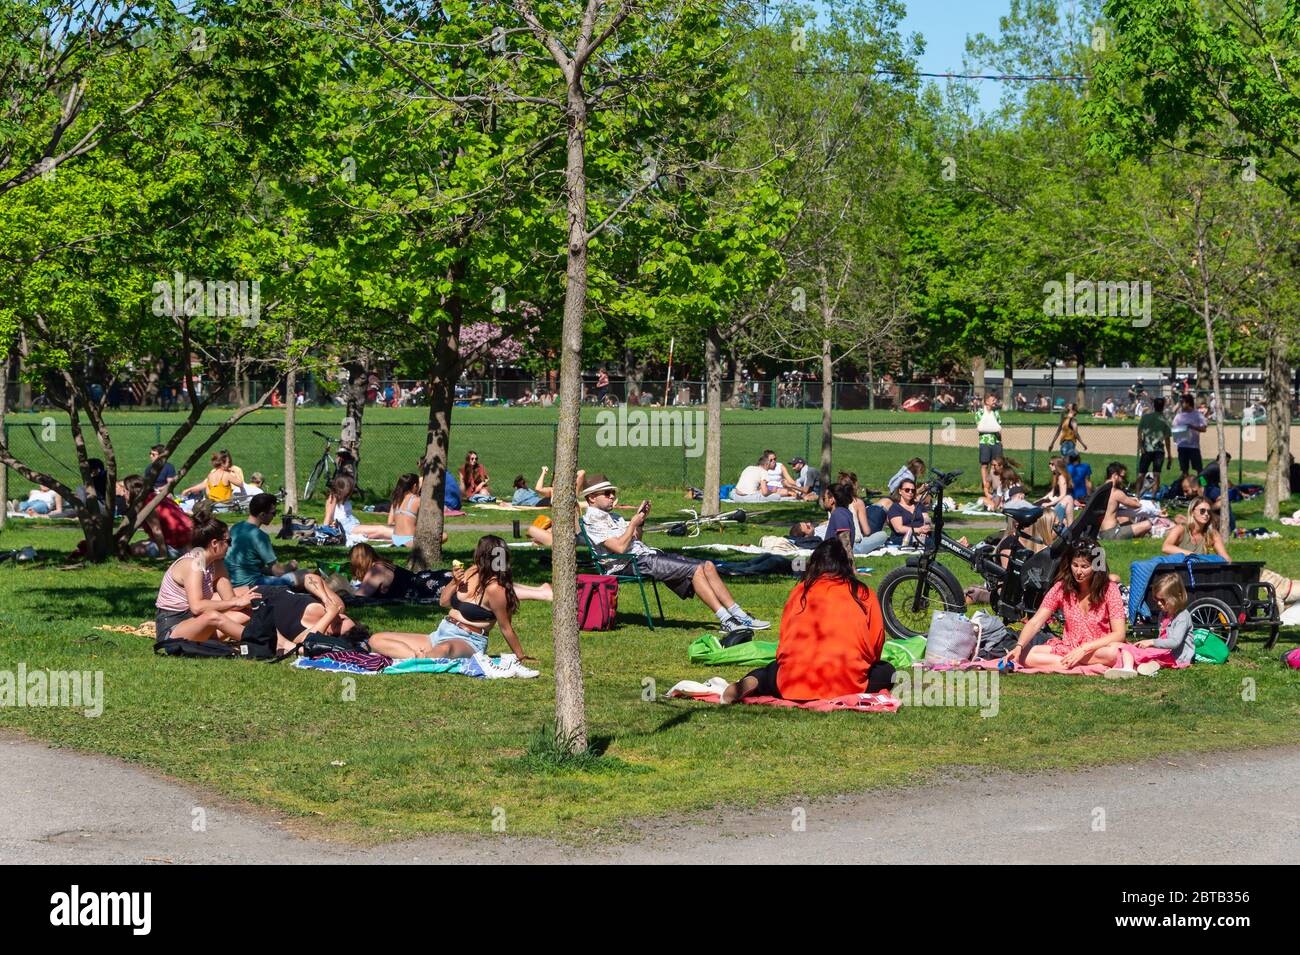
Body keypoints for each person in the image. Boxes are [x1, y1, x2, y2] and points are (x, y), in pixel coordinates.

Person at [581, 474, 769, 632]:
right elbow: (620, 548)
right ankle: (726, 620)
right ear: (591, 498)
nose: (612, 496)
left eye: (613, 492)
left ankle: (740, 615)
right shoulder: (592, 520)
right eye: (607, 493)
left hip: (645, 556)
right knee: (695, 570)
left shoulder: (613, 516)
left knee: (708, 566)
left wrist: (641, 521)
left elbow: (636, 539)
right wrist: (632, 524)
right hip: (628, 563)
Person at [721, 539, 893, 704]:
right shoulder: (863, 593)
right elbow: (875, 645)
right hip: (845, 681)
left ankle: (752, 682)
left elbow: (784, 643)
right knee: (888, 671)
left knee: (768, 672)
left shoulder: (800, 591)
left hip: (794, 681)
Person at [367, 536, 540, 677]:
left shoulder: (496, 589)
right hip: (441, 632)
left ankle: (422, 657)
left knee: (444, 649)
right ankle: (418, 657)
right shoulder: (472, 571)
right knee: (376, 639)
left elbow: (506, 627)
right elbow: (443, 602)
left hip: (469, 640)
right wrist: (453, 582)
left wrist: (521, 656)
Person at [1001, 539, 1134, 674]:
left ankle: (1066, 664)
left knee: (1114, 652)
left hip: (1098, 648)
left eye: (1085, 566)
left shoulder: (1109, 589)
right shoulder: (1061, 588)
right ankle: (1078, 664)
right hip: (1068, 648)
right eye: (1075, 565)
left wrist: (1084, 649)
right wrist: (1019, 645)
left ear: (1096, 566)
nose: (1078, 571)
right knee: (1024, 654)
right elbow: (1036, 621)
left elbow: (1119, 634)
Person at [153, 504, 258, 644]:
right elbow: (197, 607)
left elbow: (231, 601)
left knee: (248, 613)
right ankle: (266, 644)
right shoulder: (194, 564)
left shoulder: (217, 564)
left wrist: (250, 602)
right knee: (213, 616)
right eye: (228, 541)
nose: (230, 546)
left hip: (198, 623)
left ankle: (276, 641)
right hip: (173, 628)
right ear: (215, 543)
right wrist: (237, 601)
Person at [226, 493, 299, 588]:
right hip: (251, 585)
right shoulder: (259, 536)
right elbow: (278, 571)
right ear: (262, 514)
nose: (274, 516)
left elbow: (256, 567)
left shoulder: (236, 527)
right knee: (303, 576)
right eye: (273, 513)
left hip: (231, 583)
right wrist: (291, 566)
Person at [121, 474, 192, 558]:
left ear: (132, 491)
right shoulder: (158, 497)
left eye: (125, 491)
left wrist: (163, 556)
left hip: (179, 548)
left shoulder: (147, 505)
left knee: (135, 548)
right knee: (142, 543)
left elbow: (157, 530)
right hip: (191, 542)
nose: (123, 494)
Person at [1132, 574, 1195, 667]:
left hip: (1179, 657)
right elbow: (1162, 637)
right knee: (1133, 651)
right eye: (1156, 599)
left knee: (1142, 655)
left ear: (1177, 597)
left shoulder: (1182, 617)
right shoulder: (1163, 614)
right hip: (1165, 651)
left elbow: (1175, 642)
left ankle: (1148, 664)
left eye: (1162, 600)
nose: (1158, 603)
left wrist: (1152, 642)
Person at [322, 475, 394, 540]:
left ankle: (401, 535)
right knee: (380, 529)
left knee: (379, 530)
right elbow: (328, 517)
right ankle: (402, 538)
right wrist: (325, 531)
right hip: (346, 526)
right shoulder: (332, 498)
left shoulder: (343, 498)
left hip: (351, 524)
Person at [1098, 462, 1153, 540]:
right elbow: (1137, 506)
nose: (1123, 480)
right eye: (1122, 477)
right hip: (1111, 533)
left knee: (1125, 519)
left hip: (1100, 532)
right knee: (1148, 524)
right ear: (1115, 476)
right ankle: (1136, 539)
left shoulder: (1099, 489)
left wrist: (1127, 499)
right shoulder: (1116, 492)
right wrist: (1135, 500)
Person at [1162, 499, 1229, 559]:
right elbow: (1166, 547)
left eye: (1209, 511)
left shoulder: (1212, 533)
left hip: (1199, 570)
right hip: (1178, 569)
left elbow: (1225, 557)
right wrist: (1194, 555)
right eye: (1202, 511)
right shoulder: (1180, 529)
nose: (1206, 514)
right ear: (1192, 512)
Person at [1136, 396, 1172, 491]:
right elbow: (1167, 439)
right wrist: (1169, 454)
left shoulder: (1145, 417)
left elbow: (1139, 434)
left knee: (1141, 473)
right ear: (1163, 406)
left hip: (1146, 449)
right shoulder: (1165, 420)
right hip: (1159, 450)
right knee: (1156, 474)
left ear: (1153, 406)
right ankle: (1153, 497)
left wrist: (1141, 447)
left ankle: (1137, 495)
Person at [887, 477, 931, 547]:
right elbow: (899, 529)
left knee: (940, 536)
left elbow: (927, 520)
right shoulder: (895, 507)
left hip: (923, 534)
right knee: (930, 542)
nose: (910, 492)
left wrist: (926, 529)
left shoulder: (919, 505)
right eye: (907, 490)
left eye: (913, 490)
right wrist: (919, 530)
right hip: (904, 537)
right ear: (900, 491)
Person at [1172, 394, 1208, 477]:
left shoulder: (1197, 415)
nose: (1181, 404)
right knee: (1184, 471)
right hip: (1182, 447)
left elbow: (1204, 429)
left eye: (1182, 402)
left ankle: (1204, 486)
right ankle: (1187, 488)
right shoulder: (1179, 416)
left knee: (1199, 470)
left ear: (1188, 403)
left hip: (1194, 447)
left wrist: (1193, 427)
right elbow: (1174, 429)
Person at [975, 392, 1003, 495]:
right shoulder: (980, 413)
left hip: (996, 442)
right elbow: (980, 428)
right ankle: (985, 486)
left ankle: (994, 486)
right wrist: (994, 429)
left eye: (995, 400)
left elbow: (999, 428)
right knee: (984, 465)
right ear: (987, 401)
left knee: (995, 465)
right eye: (993, 400)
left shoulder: (996, 413)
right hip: (985, 442)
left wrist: (1000, 441)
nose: (995, 402)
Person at [1039, 455, 1074, 525]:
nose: (1050, 465)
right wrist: (1042, 499)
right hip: (1058, 500)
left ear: (1057, 465)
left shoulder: (1061, 478)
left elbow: (1063, 495)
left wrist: (1049, 504)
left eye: (1052, 464)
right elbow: (1052, 492)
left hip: (1065, 501)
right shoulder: (1056, 475)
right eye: (1049, 463)